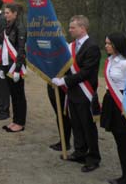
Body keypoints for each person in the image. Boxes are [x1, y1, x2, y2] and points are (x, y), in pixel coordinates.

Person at [52, 15, 101, 173]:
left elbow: (86, 72)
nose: (70, 30)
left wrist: (65, 81)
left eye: (73, 27)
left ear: (83, 28)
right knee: (76, 125)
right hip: (73, 92)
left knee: (88, 126)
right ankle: (80, 152)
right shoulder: (71, 46)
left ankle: (93, 158)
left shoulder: (92, 46)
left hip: (85, 92)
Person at [100, 32, 126, 184]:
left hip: (122, 103)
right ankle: (124, 175)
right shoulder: (110, 60)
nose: (106, 46)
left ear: (117, 45)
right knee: (119, 141)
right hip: (111, 102)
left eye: (109, 43)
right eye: (106, 43)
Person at [0, 3, 27, 133]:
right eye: (5, 13)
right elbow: (4, 48)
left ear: (15, 13)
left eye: (8, 13)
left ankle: (20, 123)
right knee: (13, 94)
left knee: (19, 95)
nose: (5, 15)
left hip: (16, 66)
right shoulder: (7, 27)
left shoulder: (20, 27)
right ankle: (15, 120)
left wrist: (17, 69)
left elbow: (21, 50)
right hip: (7, 65)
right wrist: (1, 66)